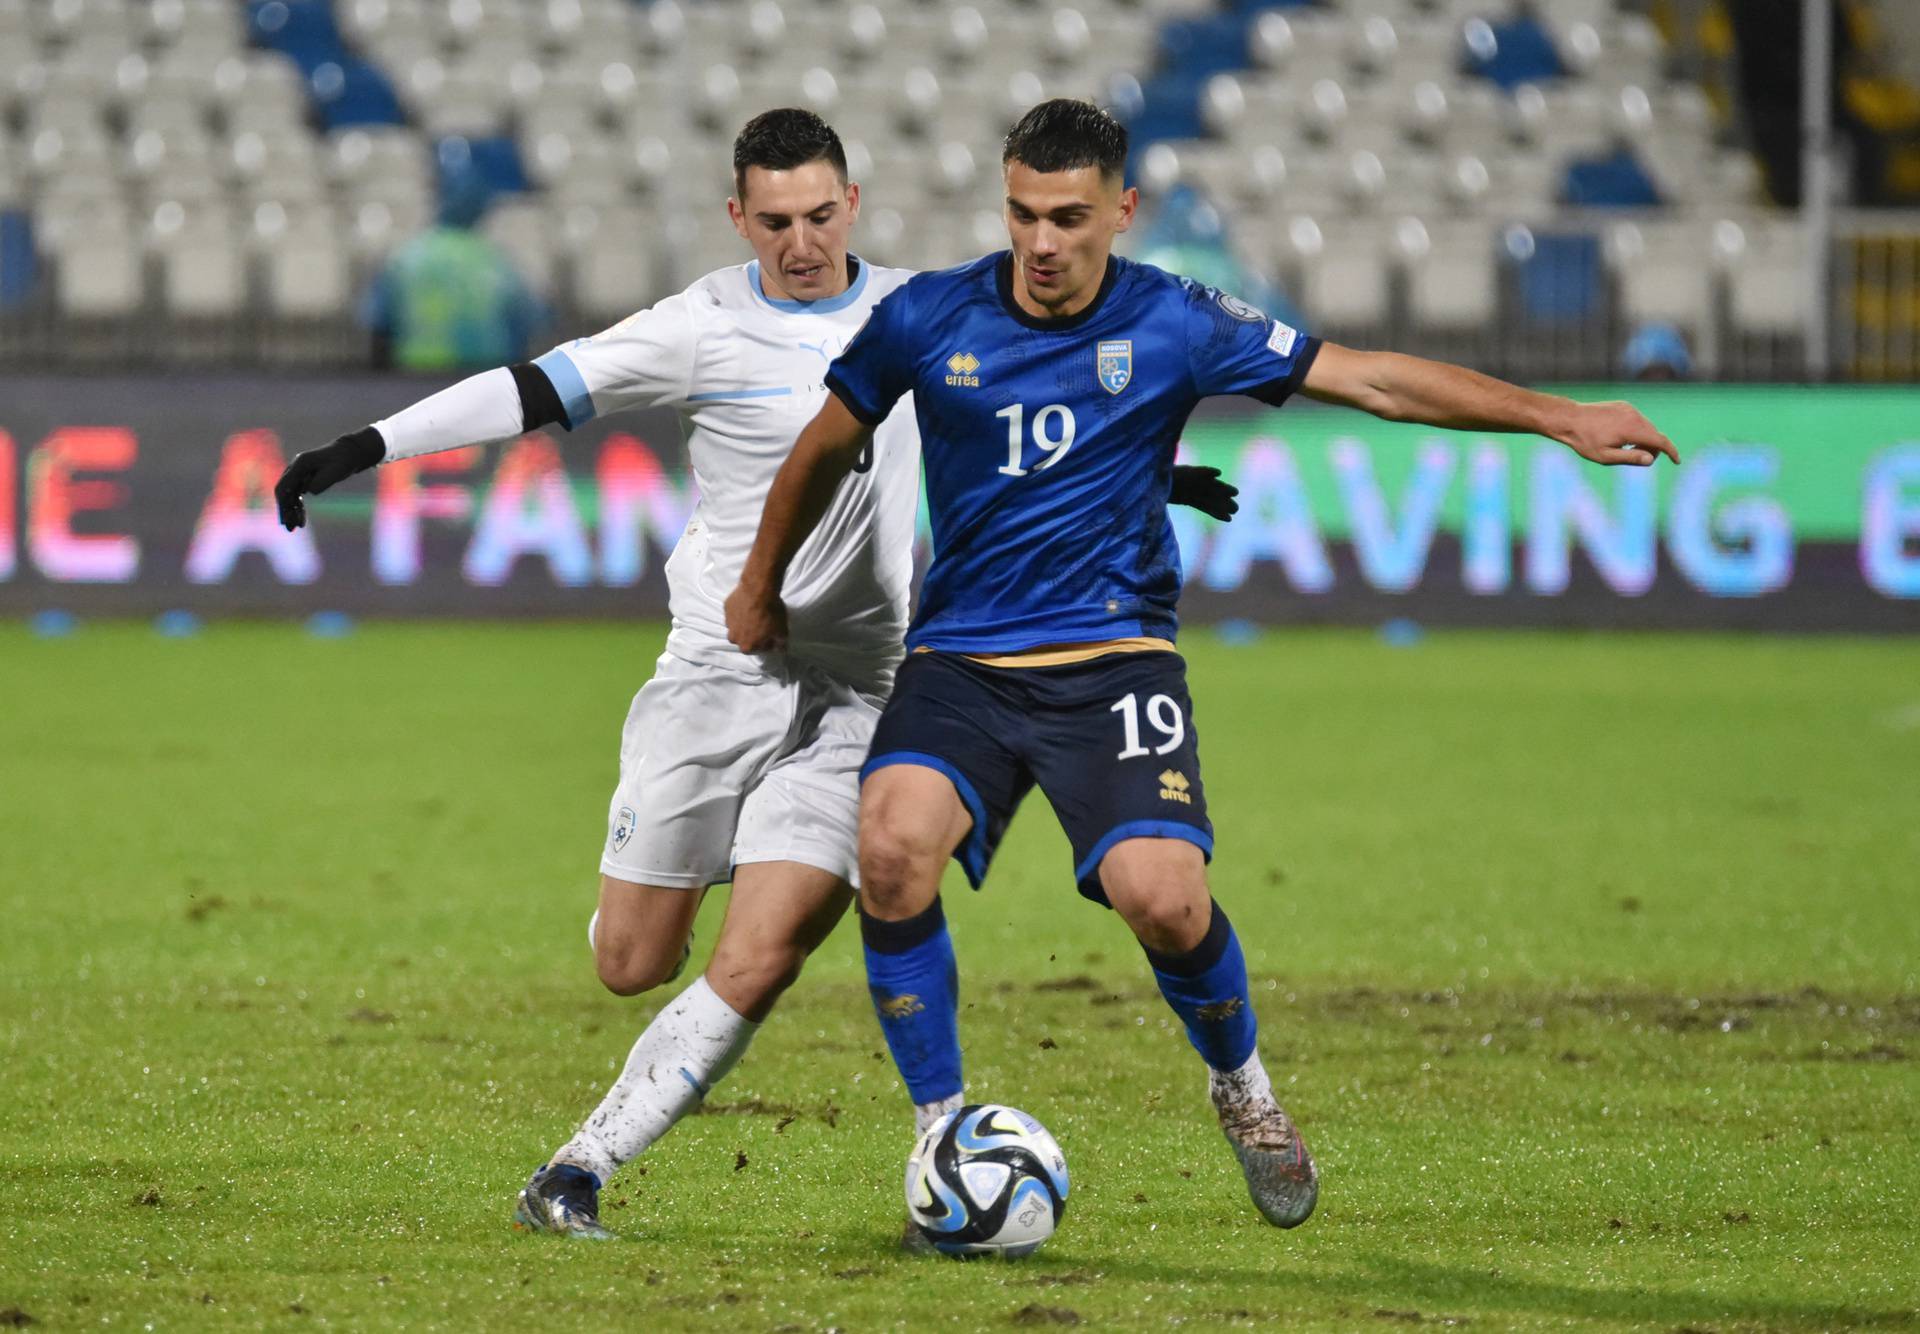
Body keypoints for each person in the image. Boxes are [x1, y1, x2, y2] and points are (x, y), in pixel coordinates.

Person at [274, 107, 1239, 1241]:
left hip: (873, 688)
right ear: (740, 218)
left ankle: (575, 1170)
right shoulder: (701, 326)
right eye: (775, 220)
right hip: (716, 670)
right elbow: (536, 388)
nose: (801, 241)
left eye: (820, 214)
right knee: (634, 962)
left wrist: (1153, 479)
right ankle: (687, 860)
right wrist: (370, 445)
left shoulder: (926, 312)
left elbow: (1037, 419)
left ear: (853, 206)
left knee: (764, 949)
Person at [724, 99, 1680, 1238]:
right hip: (964, 658)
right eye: (1024, 213)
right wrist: (757, 581)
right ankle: (942, 1126)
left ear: (1123, 212)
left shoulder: (1178, 321)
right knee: (889, 849)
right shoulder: (929, 316)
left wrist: (1557, 415)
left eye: (1070, 217)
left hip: (1116, 660)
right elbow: (826, 442)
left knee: (1165, 901)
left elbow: (1370, 379)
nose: (1041, 242)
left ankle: (1246, 1089)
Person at [363, 167, 547, 371]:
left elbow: (378, 321)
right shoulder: (496, 262)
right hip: (484, 374)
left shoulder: (407, 257)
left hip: (414, 373)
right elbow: (530, 318)